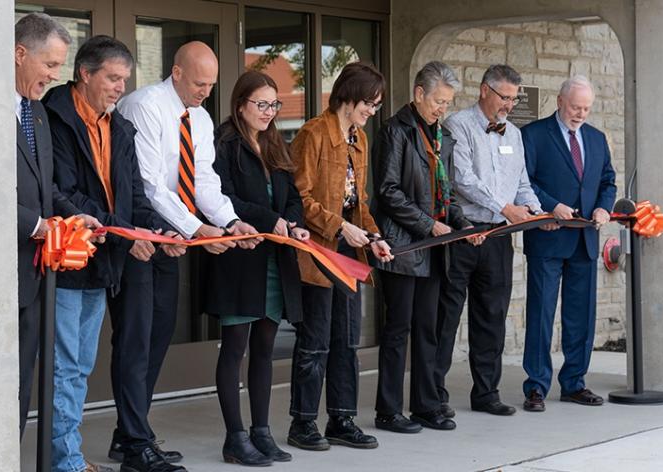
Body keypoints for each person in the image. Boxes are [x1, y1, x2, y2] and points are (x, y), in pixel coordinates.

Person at [113, 41, 258, 471]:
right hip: (141, 236)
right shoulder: (144, 106)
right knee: (136, 340)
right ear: (175, 72)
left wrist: (230, 222)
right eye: (199, 83)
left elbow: (203, 179)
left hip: (172, 239)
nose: (205, 92)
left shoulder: (200, 117)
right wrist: (196, 229)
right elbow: (152, 184)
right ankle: (136, 442)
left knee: (157, 337)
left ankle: (130, 432)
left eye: (211, 85)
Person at [43, 35, 184, 472]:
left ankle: (72, 455)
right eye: (112, 77)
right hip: (67, 261)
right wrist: (125, 233)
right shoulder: (52, 119)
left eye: (125, 78)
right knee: (67, 369)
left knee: (79, 367)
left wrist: (160, 233)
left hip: (103, 263)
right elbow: (60, 194)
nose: (121, 87)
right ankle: (65, 462)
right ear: (84, 74)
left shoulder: (119, 126)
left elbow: (134, 197)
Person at [205, 70, 310, 467]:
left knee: (265, 348)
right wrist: (270, 220)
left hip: (273, 260)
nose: (269, 112)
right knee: (235, 348)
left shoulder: (276, 145)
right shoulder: (225, 143)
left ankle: (262, 432)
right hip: (239, 259)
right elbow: (223, 199)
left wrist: (293, 222)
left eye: (274, 104)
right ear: (240, 104)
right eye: (261, 104)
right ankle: (235, 438)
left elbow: (294, 197)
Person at [288, 62, 392, 451]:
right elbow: (299, 198)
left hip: (349, 250)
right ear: (350, 96)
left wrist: (374, 236)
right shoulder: (313, 133)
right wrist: (338, 226)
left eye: (377, 105)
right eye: (370, 102)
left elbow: (359, 203)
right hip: (318, 250)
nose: (372, 110)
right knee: (315, 340)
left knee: (347, 339)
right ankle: (302, 423)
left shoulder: (359, 140)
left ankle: (342, 419)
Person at [371, 61, 480, 434]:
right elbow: (387, 192)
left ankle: (425, 405)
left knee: (427, 329)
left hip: (434, 247)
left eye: (448, 104)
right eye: (438, 101)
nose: (442, 110)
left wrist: (463, 226)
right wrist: (427, 224)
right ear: (418, 94)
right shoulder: (394, 131)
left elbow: (446, 196)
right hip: (403, 248)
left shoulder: (441, 137)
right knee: (397, 330)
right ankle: (387, 410)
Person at [435, 64, 544, 419]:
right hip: (463, 233)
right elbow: (461, 178)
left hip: (498, 236)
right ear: (484, 90)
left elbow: (522, 181)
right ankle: (434, 394)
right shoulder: (457, 125)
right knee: (446, 317)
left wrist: (535, 210)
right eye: (504, 97)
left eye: (514, 98)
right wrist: (505, 206)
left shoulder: (514, 134)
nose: (509, 105)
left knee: (492, 317)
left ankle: (486, 392)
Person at [13, 12, 100, 438]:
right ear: (19, 53)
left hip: (33, 274)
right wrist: (36, 225)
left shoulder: (38, 113)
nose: (54, 75)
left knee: (21, 387)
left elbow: (44, 185)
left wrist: (70, 216)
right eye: (49, 65)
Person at [520, 75, 617, 413]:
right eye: (576, 107)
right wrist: (550, 205)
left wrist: (605, 206)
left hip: (585, 241)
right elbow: (525, 182)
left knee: (581, 318)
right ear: (560, 101)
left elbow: (608, 180)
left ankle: (574, 383)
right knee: (541, 316)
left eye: (586, 108)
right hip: (547, 239)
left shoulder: (597, 138)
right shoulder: (532, 135)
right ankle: (536, 387)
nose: (580, 114)